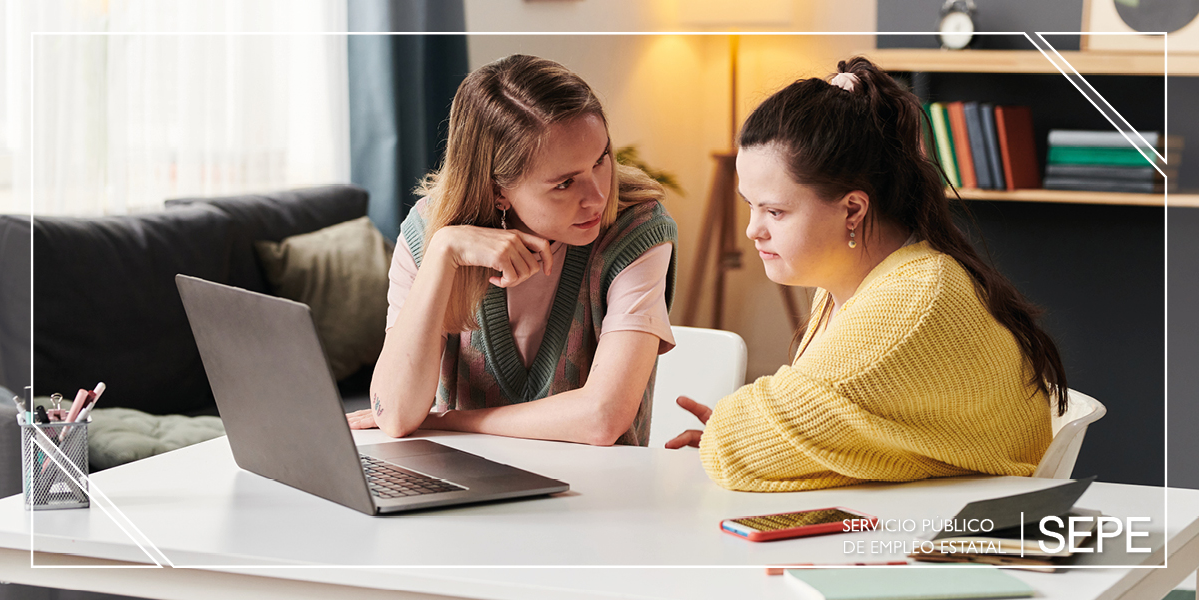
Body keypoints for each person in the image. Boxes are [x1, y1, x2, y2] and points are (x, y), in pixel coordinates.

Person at [665, 56, 1067, 492]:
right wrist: (761, 436)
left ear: (853, 209)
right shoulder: (859, 278)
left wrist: (738, 431)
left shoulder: (910, 302)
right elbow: (833, 437)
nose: (752, 229)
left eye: (775, 211)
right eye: (751, 205)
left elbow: (740, 449)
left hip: (956, 538)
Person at [346, 55, 678, 447]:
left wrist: (449, 421)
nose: (598, 196)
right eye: (565, 183)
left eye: (601, 159)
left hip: (596, 494)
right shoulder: (428, 235)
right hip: (463, 489)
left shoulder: (635, 228)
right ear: (498, 190)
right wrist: (443, 253)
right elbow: (397, 413)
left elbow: (602, 418)